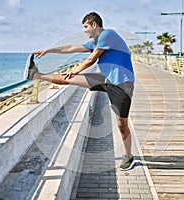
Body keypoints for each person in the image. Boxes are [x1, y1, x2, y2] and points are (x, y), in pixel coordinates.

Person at [24, 12, 135, 171]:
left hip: (122, 84)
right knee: (68, 79)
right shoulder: (96, 41)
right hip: (105, 79)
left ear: (94, 25)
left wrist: (76, 70)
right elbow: (69, 47)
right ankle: (35, 74)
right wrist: (48, 50)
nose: (85, 31)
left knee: (121, 124)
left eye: (86, 27)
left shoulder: (108, 34)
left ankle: (129, 156)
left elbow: (92, 59)